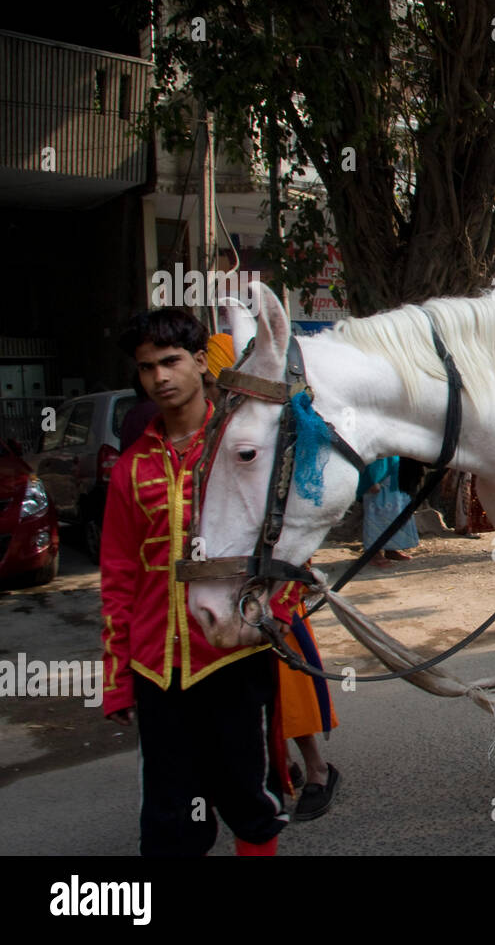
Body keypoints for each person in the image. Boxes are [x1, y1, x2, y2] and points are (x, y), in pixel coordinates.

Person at [101, 309, 288, 855]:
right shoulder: (130, 469)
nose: (159, 377)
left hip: (231, 655)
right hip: (157, 668)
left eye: (171, 362)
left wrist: (279, 612)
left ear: (201, 363)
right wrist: (117, 676)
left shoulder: (241, 449)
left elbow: (283, 538)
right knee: (169, 818)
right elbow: (117, 574)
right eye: (146, 368)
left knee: (247, 799)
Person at [203, 334, 342, 821]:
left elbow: (297, 505)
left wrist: (283, 595)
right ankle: (271, 773)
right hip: (219, 588)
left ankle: (317, 769)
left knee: (290, 685)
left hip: (273, 583)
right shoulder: (208, 434)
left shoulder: (258, 429)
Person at [360, 456, 418, 566]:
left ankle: (391, 549)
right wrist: (370, 480)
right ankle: (373, 553)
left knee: (396, 511)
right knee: (377, 513)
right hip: (377, 471)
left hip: (394, 472)